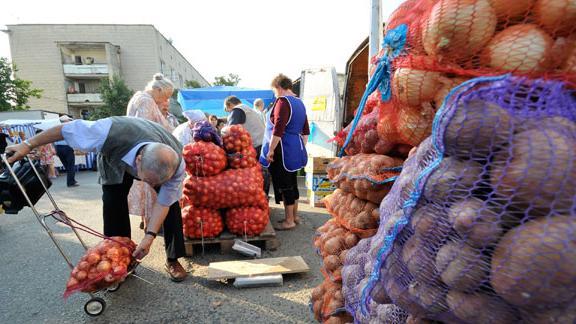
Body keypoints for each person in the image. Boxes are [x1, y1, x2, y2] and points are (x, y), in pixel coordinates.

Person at [6, 116, 188, 281]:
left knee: (171, 206)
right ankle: (119, 260)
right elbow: (66, 129)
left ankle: (173, 258)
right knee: (113, 205)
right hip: (115, 155)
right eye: (147, 180)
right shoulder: (105, 132)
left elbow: (164, 201)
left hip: (153, 155)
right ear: (138, 161)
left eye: (154, 182)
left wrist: (149, 237)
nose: (148, 185)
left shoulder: (176, 162)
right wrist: (28, 145)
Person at [259, 74, 310, 231]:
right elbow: (306, 131)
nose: (275, 93)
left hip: (283, 149)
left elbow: (278, 129)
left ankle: (289, 221)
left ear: (279, 87)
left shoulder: (282, 101)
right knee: (293, 182)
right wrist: (299, 146)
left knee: (286, 185)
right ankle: (294, 216)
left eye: (274, 90)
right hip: (295, 148)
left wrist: (271, 150)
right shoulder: (300, 103)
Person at [126, 73, 175, 231]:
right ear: (158, 90)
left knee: (146, 187)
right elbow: (145, 128)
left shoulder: (139, 97)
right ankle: (152, 224)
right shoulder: (146, 101)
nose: (164, 101)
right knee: (151, 187)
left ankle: (150, 221)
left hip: (143, 150)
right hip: (148, 152)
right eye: (165, 96)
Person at [54, 116, 78, 187]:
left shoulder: (56, 128)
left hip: (58, 148)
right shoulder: (68, 128)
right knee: (70, 165)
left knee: (67, 166)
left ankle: (72, 179)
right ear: (66, 121)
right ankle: (71, 182)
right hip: (67, 148)